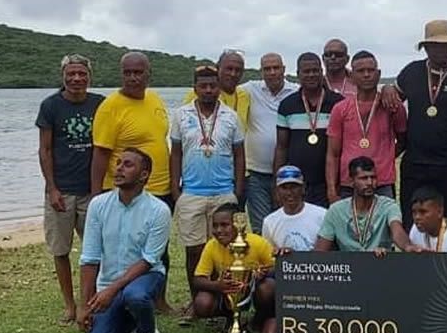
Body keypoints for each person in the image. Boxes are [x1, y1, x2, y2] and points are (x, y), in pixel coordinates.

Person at [381, 19, 447, 229]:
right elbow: (391, 104)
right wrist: (386, 88)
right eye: (436, 46)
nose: (442, 50)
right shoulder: (411, 72)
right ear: (426, 47)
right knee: (413, 225)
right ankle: (414, 263)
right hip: (415, 166)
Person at [91, 51, 175, 313]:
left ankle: (159, 300)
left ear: (148, 74)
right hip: (125, 191)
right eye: (127, 72)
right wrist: (97, 197)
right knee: (122, 248)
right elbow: (100, 154)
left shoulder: (154, 98)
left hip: (160, 189)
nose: (133, 78)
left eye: (138, 72)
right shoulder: (110, 107)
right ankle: (113, 298)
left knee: (160, 250)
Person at [78, 148, 171, 333]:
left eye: (127, 164)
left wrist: (112, 290)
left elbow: (149, 260)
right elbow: (89, 258)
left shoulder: (159, 210)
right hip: (108, 285)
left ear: (144, 175)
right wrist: (84, 305)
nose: (118, 168)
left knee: (135, 295)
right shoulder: (98, 205)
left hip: (145, 278)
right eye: (118, 163)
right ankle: (131, 321)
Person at [170, 65, 246, 316]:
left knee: (223, 248)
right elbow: (176, 153)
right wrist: (175, 190)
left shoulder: (230, 116)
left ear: (219, 88)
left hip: (224, 192)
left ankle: (224, 301)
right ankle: (197, 301)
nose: (208, 90)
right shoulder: (181, 115)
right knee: (194, 249)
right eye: (202, 86)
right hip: (191, 192)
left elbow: (239, 155)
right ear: (195, 89)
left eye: (212, 85)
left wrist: (238, 189)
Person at [37, 54, 105, 324]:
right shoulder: (50, 106)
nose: (77, 78)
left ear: (89, 76)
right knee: (60, 250)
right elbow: (45, 149)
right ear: (63, 76)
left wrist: (101, 190)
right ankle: (69, 304)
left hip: (92, 191)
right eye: (71, 74)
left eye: (82, 74)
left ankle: (93, 299)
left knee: (96, 249)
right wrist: (52, 189)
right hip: (61, 190)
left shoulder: (100, 104)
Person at [191, 203, 279, 333]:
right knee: (202, 302)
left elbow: (279, 268)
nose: (219, 230)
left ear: (238, 225)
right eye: (215, 225)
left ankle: (261, 318)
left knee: (267, 287)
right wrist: (217, 286)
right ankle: (231, 319)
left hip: (255, 292)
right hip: (227, 294)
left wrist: (263, 273)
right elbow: (197, 280)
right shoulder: (212, 245)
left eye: (225, 225)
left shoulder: (257, 243)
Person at [327, 50, 405, 202]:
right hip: (349, 183)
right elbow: (333, 153)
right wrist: (331, 188)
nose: (366, 75)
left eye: (371, 70)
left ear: (379, 73)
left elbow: (403, 139)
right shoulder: (340, 108)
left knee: (383, 224)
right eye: (361, 71)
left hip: (382, 182)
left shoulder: (392, 105)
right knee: (349, 225)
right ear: (352, 76)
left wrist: (386, 158)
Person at [276, 52, 344, 207]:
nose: (311, 75)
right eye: (306, 71)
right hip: (296, 183)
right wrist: (277, 181)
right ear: (298, 74)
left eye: (315, 70)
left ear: (322, 72)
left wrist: (336, 186)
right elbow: (281, 147)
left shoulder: (338, 103)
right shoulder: (287, 105)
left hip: (330, 183)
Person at [315, 157, 420, 254]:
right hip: (348, 267)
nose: (370, 182)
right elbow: (321, 250)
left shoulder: (388, 206)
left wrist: (407, 246)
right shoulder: (336, 210)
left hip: (379, 262)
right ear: (351, 181)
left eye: (373, 177)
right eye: (364, 178)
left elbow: (397, 231)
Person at [244, 52, 298, 232]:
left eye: (276, 68)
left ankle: (286, 261)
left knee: (286, 225)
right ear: (261, 72)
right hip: (256, 174)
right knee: (261, 228)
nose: (272, 72)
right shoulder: (250, 90)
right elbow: (223, 86)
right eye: (267, 69)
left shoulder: (296, 91)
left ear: (284, 70)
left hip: (288, 174)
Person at [262, 165, 327, 253]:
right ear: (277, 191)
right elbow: (269, 256)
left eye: (293, 187)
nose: (289, 193)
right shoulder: (269, 222)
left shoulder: (322, 215)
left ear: (303, 188)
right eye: (284, 188)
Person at [182, 50, 251, 128]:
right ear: (218, 68)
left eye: (238, 70)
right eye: (229, 69)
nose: (233, 74)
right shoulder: (198, 94)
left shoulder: (244, 96)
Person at [407, 187, 447, 252]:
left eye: (423, 212)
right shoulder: (415, 230)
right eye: (414, 212)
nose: (417, 217)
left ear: (440, 212)